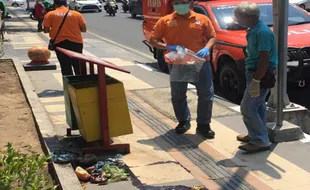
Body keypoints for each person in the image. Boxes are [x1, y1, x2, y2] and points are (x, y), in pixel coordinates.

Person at [150, 0, 217, 138]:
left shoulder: (202, 19)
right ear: (173, 4)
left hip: (200, 62)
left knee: (206, 94)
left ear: (190, 3)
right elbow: (153, 40)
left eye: (183, 2)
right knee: (178, 94)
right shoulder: (165, 21)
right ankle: (183, 121)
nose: (180, 4)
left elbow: (212, 37)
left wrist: (206, 48)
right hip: (178, 62)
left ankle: (204, 125)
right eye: (177, 2)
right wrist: (168, 47)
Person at [233, 2, 277, 152]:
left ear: (248, 17)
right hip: (253, 71)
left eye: (238, 17)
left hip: (260, 73)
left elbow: (264, 59)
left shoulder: (262, 32)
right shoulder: (253, 29)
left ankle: (260, 140)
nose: (236, 19)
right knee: (258, 106)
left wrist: (256, 81)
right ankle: (256, 134)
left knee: (247, 107)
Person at [43, 0, 87, 76]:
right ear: (66, 4)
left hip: (59, 43)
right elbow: (84, 29)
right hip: (76, 43)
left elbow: (46, 30)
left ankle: (68, 85)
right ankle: (80, 84)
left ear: (55, 4)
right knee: (77, 65)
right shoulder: (76, 14)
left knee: (65, 66)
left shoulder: (50, 14)